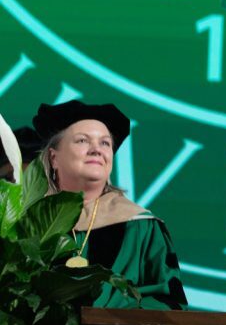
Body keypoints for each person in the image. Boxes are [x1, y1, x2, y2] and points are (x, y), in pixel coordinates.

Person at [32, 99, 188, 309]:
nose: (97, 150)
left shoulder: (141, 226)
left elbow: (171, 304)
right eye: (82, 141)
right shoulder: (27, 225)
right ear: (53, 158)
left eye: (105, 143)